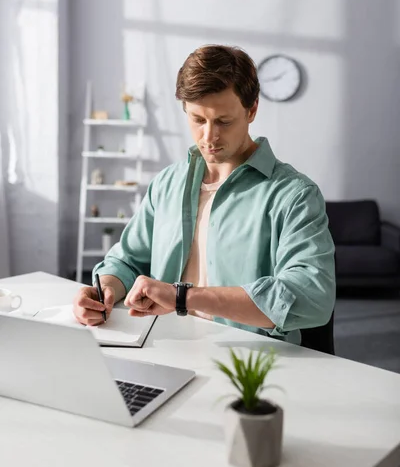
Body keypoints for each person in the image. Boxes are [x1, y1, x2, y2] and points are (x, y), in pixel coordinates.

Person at [73, 45, 335, 345]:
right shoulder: (167, 184)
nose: (209, 137)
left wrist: (184, 298)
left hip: (247, 362)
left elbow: (312, 297)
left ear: (252, 110)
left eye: (223, 121)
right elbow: (128, 261)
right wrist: (103, 290)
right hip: (163, 347)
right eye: (198, 119)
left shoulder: (294, 196)